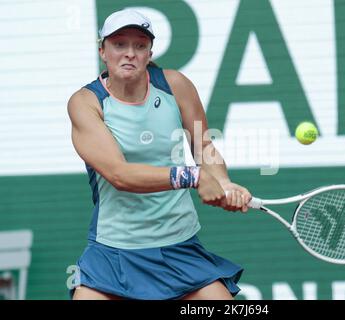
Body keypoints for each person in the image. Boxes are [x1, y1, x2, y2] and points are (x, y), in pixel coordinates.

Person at [67, 9, 252, 300]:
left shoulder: (175, 85)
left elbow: (204, 147)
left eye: (140, 46)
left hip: (179, 248)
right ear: (102, 50)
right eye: (119, 45)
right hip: (113, 253)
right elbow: (120, 174)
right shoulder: (86, 103)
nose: (130, 53)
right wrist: (195, 177)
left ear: (149, 52)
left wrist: (223, 182)